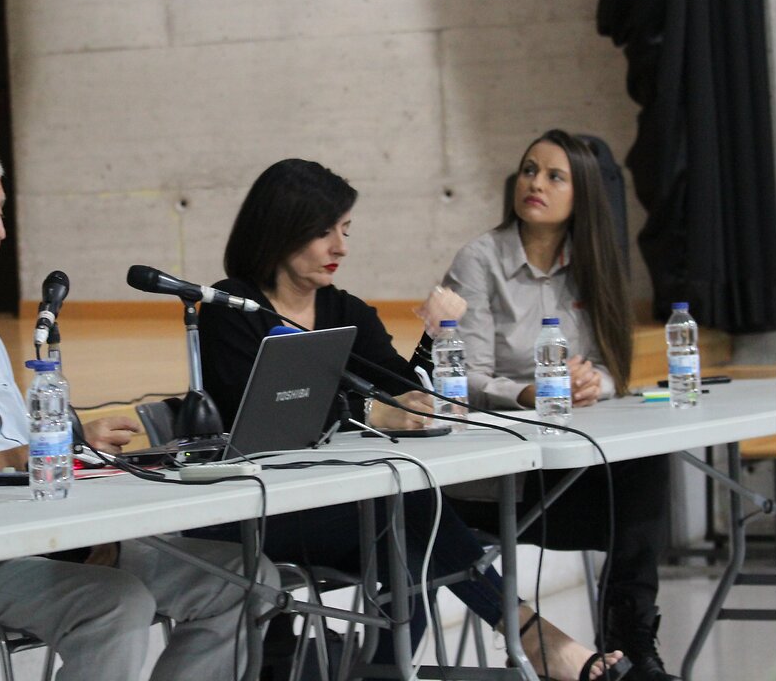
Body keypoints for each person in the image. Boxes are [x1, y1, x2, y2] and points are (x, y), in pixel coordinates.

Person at [0, 139, 278, 681]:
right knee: (116, 603)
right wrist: (54, 448)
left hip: (33, 535)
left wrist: (78, 471)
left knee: (250, 579)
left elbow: (25, 457)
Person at [193, 158, 629, 681]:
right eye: (324, 232)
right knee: (406, 514)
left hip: (346, 504)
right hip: (267, 510)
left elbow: (403, 388)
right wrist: (368, 412)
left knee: (408, 519)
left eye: (346, 231)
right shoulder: (231, 308)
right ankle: (531, 637)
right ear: (280, 230)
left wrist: (435, 337)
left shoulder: (344, 310)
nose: (341, 248)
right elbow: (264, 410)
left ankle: (398, 667)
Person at [419, 130, 678, 681]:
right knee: (636, 490)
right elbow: (462, 380)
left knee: (649, 466)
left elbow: (610, 368)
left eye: (554, 176)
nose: (534, 183)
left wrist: (592, 385)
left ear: (581, 193)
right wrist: (530, 393)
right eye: (529, 169)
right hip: (492, 483)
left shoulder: (591, 264)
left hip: (559, 473)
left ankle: (629, 639)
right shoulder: (480, 260)